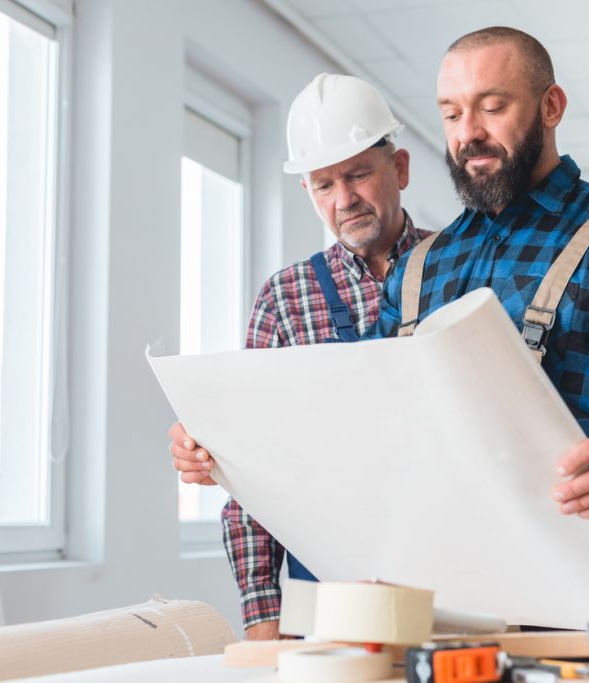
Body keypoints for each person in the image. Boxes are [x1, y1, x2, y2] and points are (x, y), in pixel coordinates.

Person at [370, 26, 589, 529]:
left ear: (551, 107)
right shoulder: (416, 270)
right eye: (451, 114)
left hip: (582, 552)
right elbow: (366, 401)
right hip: (437, 555)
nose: (467, 132)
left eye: (492, 108)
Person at [169, 73, 432, 639]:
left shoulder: (465, 272)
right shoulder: (285, 300)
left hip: (452, 574)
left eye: (359, 173)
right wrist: (263, 613)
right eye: (323, 184)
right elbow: (250, 474)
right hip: (327, 599)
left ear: (401, 168)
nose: (345, 200)